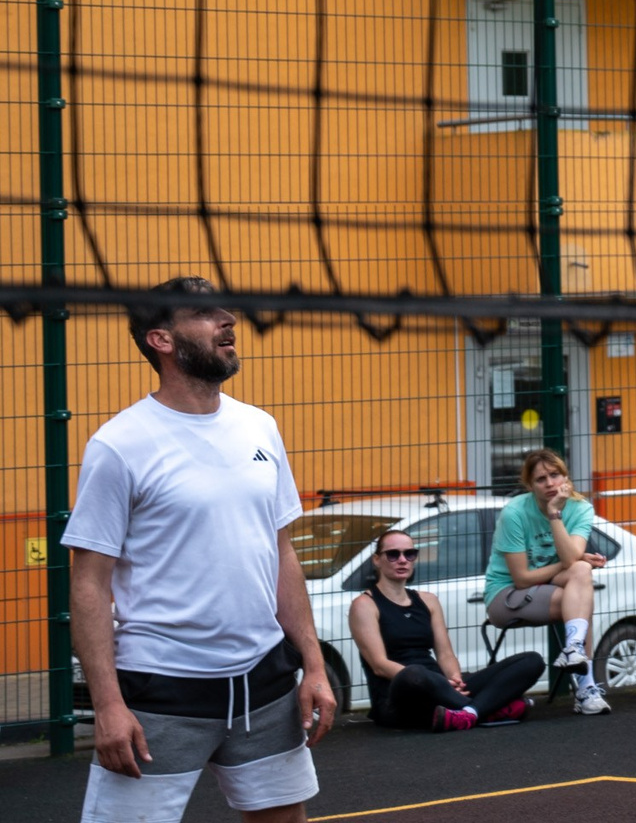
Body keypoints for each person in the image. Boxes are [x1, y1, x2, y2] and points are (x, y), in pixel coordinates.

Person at [65, 277, 335, 823]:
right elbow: (89, 584)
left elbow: (281, 552)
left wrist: (313, 665)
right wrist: (108, 706)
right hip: (161, 689)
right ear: (161, 340)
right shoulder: (119, 445)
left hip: (265, 684)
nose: (228, 319)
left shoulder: (260, 426)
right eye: (206, 313)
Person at [351, 530, 543, 731]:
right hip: (402, 694)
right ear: (377, 560)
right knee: (414, 674)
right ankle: (487, 709)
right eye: (393, 554)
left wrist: (454, 679)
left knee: (531, 661)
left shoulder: (428, 600)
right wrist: (438, 684)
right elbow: (379, 665)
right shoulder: (365, 605)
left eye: (409, 554)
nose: (402, 560)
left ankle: (468, 714)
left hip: (443, 687)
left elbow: (444, 653)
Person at [483, 448, 612, 715]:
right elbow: (521, 579)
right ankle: (585, 686)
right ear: (530, 485)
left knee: (581, 572)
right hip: (505, 596)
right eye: (541, 479)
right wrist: (554, 514)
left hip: (549, 586)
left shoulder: (581, 508)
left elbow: (571, 560)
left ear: (566, 477)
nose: (550, 483)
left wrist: (573, 556)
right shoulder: (514, 513)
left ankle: (574, 650)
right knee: (578, 596)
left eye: (555, 475)